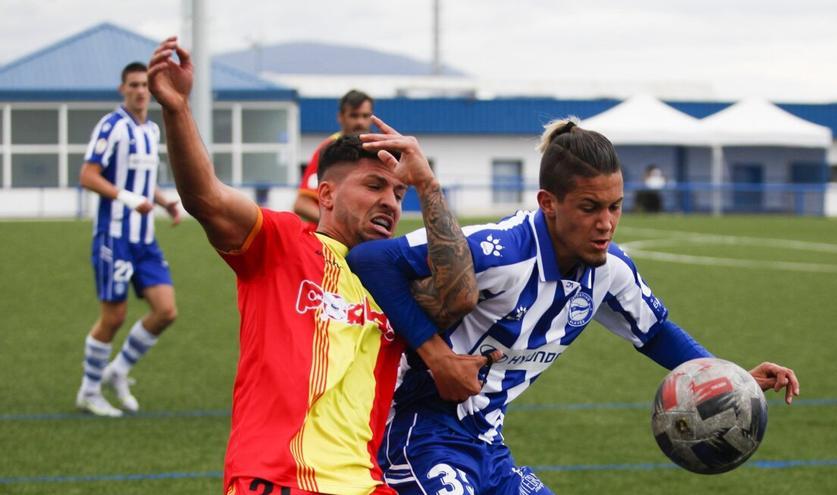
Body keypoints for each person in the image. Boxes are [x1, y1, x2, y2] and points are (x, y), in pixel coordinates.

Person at [348, 118, 800, 495]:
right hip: (417, 433)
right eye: (589, 208)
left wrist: (727, 378)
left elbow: (655, 332)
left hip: (488, 443)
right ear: (549, 203)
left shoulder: (609, 268)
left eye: (615, 207)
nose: (605, 224)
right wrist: (436, 355)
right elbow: (370, 260)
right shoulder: (499, 250)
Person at [147, 37, 496, 495]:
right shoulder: (282, 243)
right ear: (326, 196)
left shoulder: (392, 282)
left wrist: (427, 183)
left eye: (398, 193)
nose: (389, 202)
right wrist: (176, 110)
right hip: (275, 481)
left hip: (367, 485)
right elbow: (206, 197)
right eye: (373, 185)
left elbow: (459, 293)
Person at [75, 61, 181, 418]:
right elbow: (88, 176)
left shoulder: (151, 130)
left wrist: (165, 201)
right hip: (114, 236)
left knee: (165, 310)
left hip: (144, 239)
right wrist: (127, 199)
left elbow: (141, 180)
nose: (139, 91)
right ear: (123, 89)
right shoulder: (112, 127)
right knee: (114, 317)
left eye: (144, 85)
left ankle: (117, 371)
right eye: (133, 84)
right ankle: (89, 392)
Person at [294, 89, 374, 230]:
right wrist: (342, 226)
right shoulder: (328, 150)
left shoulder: (377, 149)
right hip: (329, 244)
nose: (360, 122)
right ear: (340, 117)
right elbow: (302, 204)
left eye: (365, 116)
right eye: (354, 116)